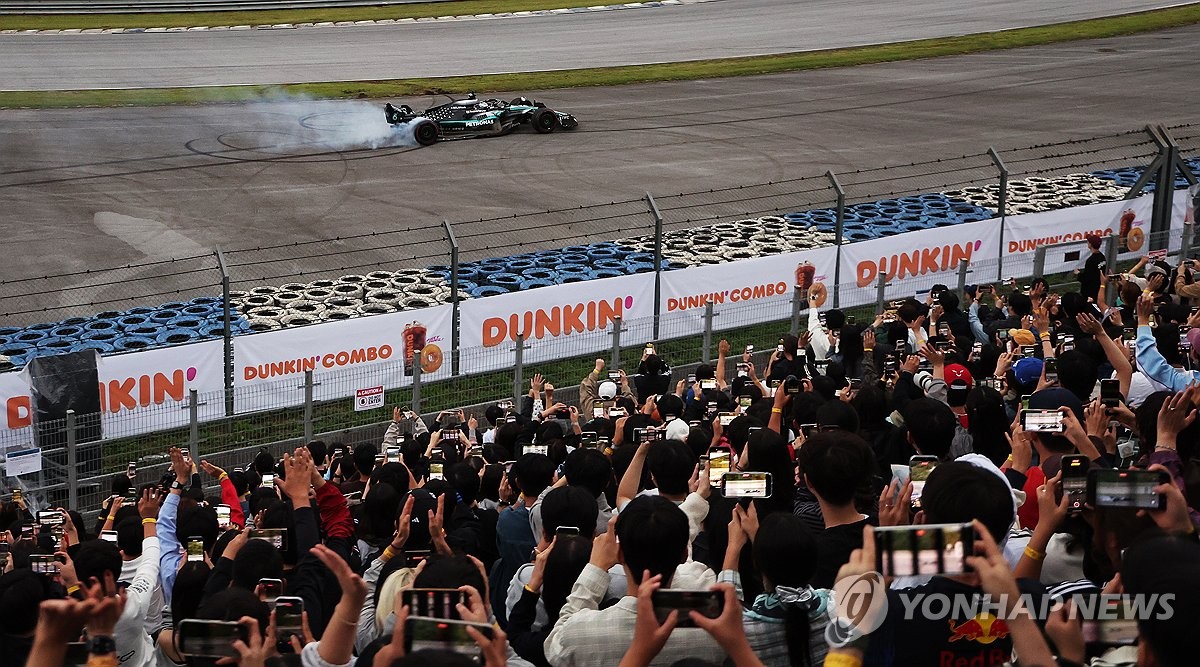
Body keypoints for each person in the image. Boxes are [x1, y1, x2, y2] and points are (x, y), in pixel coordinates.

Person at [544, 497, 725, 666]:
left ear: (619, 554)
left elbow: (554, 645)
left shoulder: (578, 634)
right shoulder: (719, 625)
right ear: (684, 555)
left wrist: (596, 566)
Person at [1074, 233, 1108, 303]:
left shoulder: (1091, 260)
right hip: (1099, 288)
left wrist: (1078, 274)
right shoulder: (1102, 257)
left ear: (1090, 244)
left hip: (1090, 293)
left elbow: (1087, 279)